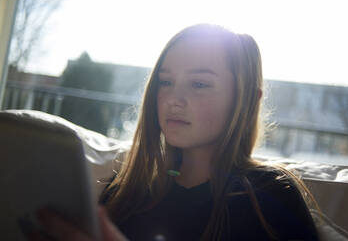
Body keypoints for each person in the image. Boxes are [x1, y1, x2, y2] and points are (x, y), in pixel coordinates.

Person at [32, 24, 319, 241]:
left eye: (199, 84)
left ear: (246, 101)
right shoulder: (126, 192)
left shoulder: (270, 197)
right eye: (166, 81)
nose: (172, 98)